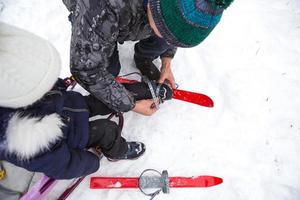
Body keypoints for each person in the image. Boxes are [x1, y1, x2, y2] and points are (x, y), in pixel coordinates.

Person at [0, 22, 145, 180]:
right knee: (107, 130)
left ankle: (143, 93)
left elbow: (51, 87)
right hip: (71, 135)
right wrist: (92, 162)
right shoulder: (28, 140)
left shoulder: (21, 81)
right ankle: (119, 151)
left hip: (71, 106)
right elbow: (64, 166)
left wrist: (61, 84)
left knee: (104, 99)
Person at [62, 0, 234, 116]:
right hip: (97, 16)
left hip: (143, 13)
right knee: (109, 70)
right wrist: (131, 105)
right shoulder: (101, 9)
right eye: (166, 33)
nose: (169, 41)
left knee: (161, 39)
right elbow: (85, 68)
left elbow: (176, 21)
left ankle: (143, 57)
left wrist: (167, 60)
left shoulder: (177, 8)